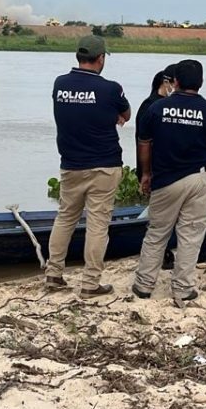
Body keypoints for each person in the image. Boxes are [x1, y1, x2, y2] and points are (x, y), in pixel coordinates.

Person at [131, 60, 206, 305]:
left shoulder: (156, 108)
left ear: (175, 82)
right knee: (191, 235)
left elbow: (144, 144)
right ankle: (183, 288)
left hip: (164, 180)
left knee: (156, 233)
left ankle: (143, 285)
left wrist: (146, 174)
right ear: (201, 83)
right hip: (197, 178)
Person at [45, 35, 130, 297]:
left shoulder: (60, 84)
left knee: (65, 218)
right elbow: (125, 115)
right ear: (101, 58)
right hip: (104, 165)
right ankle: (91, 283)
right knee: (97, 224)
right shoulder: (111, 88)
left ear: (78, 56)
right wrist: (111, 115)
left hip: (70, 164)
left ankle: (53, 274)